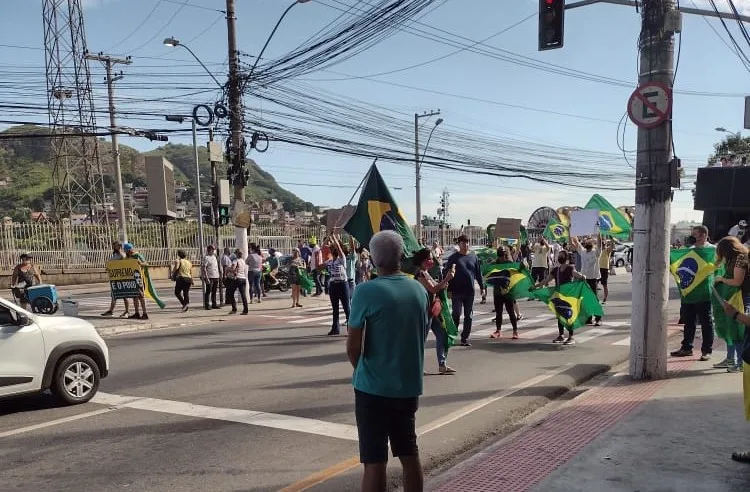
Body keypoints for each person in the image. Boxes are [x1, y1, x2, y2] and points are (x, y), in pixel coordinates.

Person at [346, 230, 429, 492]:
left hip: (372, 390)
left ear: (372, 259)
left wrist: (363, 370)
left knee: (374, 462)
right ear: (401, 256)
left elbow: (353, 346)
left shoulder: (365, 292)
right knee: (409, 454)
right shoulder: (419, 290)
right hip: (407, 387)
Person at [671, 225, 715, 360]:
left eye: (695, 235)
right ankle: (687, 347)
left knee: (706, 323)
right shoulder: (688, 251)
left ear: (703, 235)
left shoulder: (712, 251)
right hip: (688, 293)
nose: (692, 237)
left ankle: (706, 350)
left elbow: (718, 268)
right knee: (688, 322)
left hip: (704, 293)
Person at [414, 247, 455, 374]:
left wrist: (444, 283)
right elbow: (433, 289)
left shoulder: (427, 273)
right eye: (429, 259)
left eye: (432, 259)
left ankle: (442, 364)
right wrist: (447, 279)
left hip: (433, 311)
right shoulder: (420, 274)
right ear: (422, 261)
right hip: (424, 312)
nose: (431, 261)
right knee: (422, 340)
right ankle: (417, 367)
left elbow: (437, 286)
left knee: (442, 335)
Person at [713, 236, 750, 372]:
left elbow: (737, 281)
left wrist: (722, 279)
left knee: (738, 330)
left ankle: (740, 362)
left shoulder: (741, 258)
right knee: (731, 329)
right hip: (736, 296)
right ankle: (731, 359)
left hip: (741, 297)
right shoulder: (738, 257)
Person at [535, 250, 587, 345]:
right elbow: (546, 280)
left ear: (566, 258)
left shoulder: (570, 268)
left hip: (568, 296)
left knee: (568, 315)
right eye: (559, 255)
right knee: (559, 316)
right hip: (558, 296)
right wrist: (536, 286)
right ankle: (561, 335)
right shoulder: (556, 270)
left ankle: (571, 337)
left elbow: (576, 274)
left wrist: (582, 276)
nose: (559, 257)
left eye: (561, 256)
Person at [443, 234, 485, 347]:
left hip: (469, 292)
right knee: (456, 314)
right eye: (463, 243)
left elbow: (478, 273)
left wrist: (482, 287)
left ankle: (464, 338)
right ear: (459, 244)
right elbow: (446, 273)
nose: (465, 245)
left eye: (467, 243)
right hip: (456, 292)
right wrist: (448, 289)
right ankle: (452, 336)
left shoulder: (473, 257)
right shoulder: (453, 258)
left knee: (469, 316)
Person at [489, 247, 520, 340]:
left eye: (503, 255)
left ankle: (515, 331)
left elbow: (515, 276)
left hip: (508, 292)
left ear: (505, 255)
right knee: (498, 312)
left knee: (511, 311)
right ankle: (498, 331)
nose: (502, 257)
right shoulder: (494, 264)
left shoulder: (509, 263)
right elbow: (491, 276)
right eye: (500, 255)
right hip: (497, 292)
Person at [572, 235, 602, 326]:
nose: (588, 242)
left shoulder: (596, 252)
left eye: (590, 241)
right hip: (584, 279)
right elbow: (576, 242)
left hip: (593, 279)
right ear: (585, 244)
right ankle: (588, 318)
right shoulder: (583, 252)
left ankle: (598, 318)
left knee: (594, 299)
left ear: (592, 244)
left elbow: (600, 243)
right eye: (587, 241)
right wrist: (573, 231)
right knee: (585, 299)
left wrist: (598, 233)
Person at [327, 235, 350, 336]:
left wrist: (334, 238)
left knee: (347, 308)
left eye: (334, 249)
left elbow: (339, 248)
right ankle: (335, 329)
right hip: (333, 285)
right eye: (332, 249)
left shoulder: (342, 259)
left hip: (342, 284)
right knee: (335, 308)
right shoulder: (330, 261)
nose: (333, 250)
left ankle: (351, 329)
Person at [101, 241, 131, 317]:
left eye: (115, 246)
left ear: (119, 246)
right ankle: (111, 310)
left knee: (124, 295)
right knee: (114, 294)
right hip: (114, 277)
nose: (114, 247)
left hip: (121, 277)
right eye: (113, 245)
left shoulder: (122, 255)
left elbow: (123, 264)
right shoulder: (114, 254)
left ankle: (127, 311)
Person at [123, 243, 149, 320]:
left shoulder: (138, 255)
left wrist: (140, 263)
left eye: (126, 250)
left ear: (129, 250)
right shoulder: (128, 257)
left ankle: (145, 313)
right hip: (131, 279)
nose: (126, 252)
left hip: (138, 278)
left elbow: (146, 264)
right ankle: (136, 313)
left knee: (141, 297)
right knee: (134, 296)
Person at [227, 249, 249, 315]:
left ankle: (234, 309)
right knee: (243, 295)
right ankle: (245, 310)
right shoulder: (243, 261)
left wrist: (228, 269)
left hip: (237, 279)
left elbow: (232, 269)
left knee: (230, 293)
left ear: (236, 254)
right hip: (243, 278)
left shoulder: (235, 260)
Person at [201, 245, 220, 310]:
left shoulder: (214, 257)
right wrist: (206, 277)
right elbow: (204, 268)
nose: (213, 251)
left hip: (215, 276)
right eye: (212, 249)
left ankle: (214, 304)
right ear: (209, 250)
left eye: (214, 249)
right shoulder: (206, 258)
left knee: (214, 291)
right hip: (210, 276)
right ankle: (207, 305)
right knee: (208, 291)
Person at [599, 239, 615, 304]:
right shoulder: (598, 251)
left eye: (603, 244)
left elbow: (611, 247)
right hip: (598, 268)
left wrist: (612, 241)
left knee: (604, 285)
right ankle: (595, 298)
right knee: (595, 284)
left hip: (604, 269)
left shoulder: (607, 250)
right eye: (601, 244)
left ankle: (605, 298)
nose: (602, 245)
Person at [346, 237, 358, 301]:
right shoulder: (343, 257)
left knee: (352, 298)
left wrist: (351, 238)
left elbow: (353, 249)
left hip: (351, 281)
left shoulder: (352, 258)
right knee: (347, 298)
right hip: (345, 281)